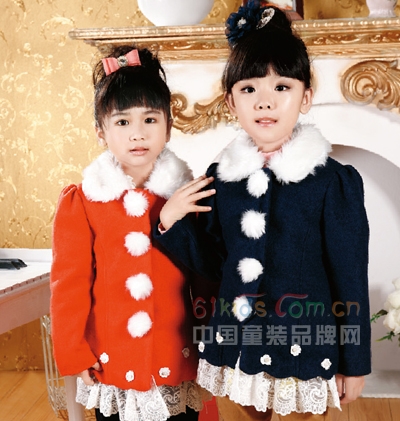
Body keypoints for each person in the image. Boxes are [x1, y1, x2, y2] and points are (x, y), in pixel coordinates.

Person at [154, 2, 371, 420]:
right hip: (240, 343)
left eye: (282, 88)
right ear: (230, 102)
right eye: (249, 89)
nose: (265, 103)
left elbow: (350, 278)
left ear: (306, 97)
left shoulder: (333, 182)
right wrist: (171, 221)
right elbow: (214, 265)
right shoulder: (221, 178)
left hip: (306, 344)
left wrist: (355, 362)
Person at [50, 45, 205, 421]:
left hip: (175, 353)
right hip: (112, 358)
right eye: (122, 122)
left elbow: (206, 274)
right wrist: (74, 352)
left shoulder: (187, 196)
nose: (137, 134)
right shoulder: (82, 201)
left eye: (150, 119)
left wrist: (213, 342)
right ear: (100, 132)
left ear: (169, 127)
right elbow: (69, 285)